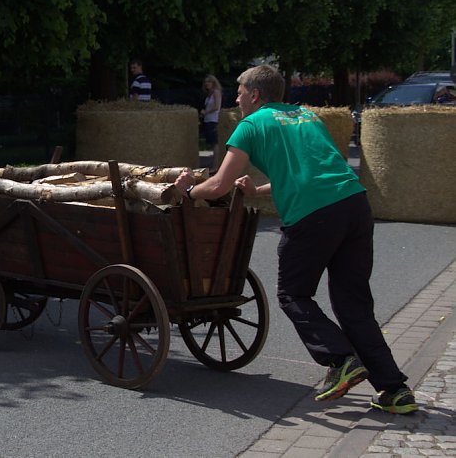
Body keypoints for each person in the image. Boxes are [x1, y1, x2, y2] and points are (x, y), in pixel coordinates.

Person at [173, 64, 418, 415]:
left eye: (240, 91)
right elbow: (311, 172)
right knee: (354, 306)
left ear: (255, 94)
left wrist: (188, 190)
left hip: (314, 215)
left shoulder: (251, 124)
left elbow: (219, 186)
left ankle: (340, 358)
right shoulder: (306, 116)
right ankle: (395, 390)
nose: (237, 97)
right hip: (353, 205)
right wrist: (258, 189)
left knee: (293, 294)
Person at [199, 74, 222, 171]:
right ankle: (213, 164)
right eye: (206, 82)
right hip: (207, 119)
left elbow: (217, 107)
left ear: (213, 83)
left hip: (212, 119)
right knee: (211, 143)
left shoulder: (216, 92)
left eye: (209, 82)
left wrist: (206, 112)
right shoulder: (209, 94)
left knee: (214, 143)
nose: (206, 84)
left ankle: (215, 166)